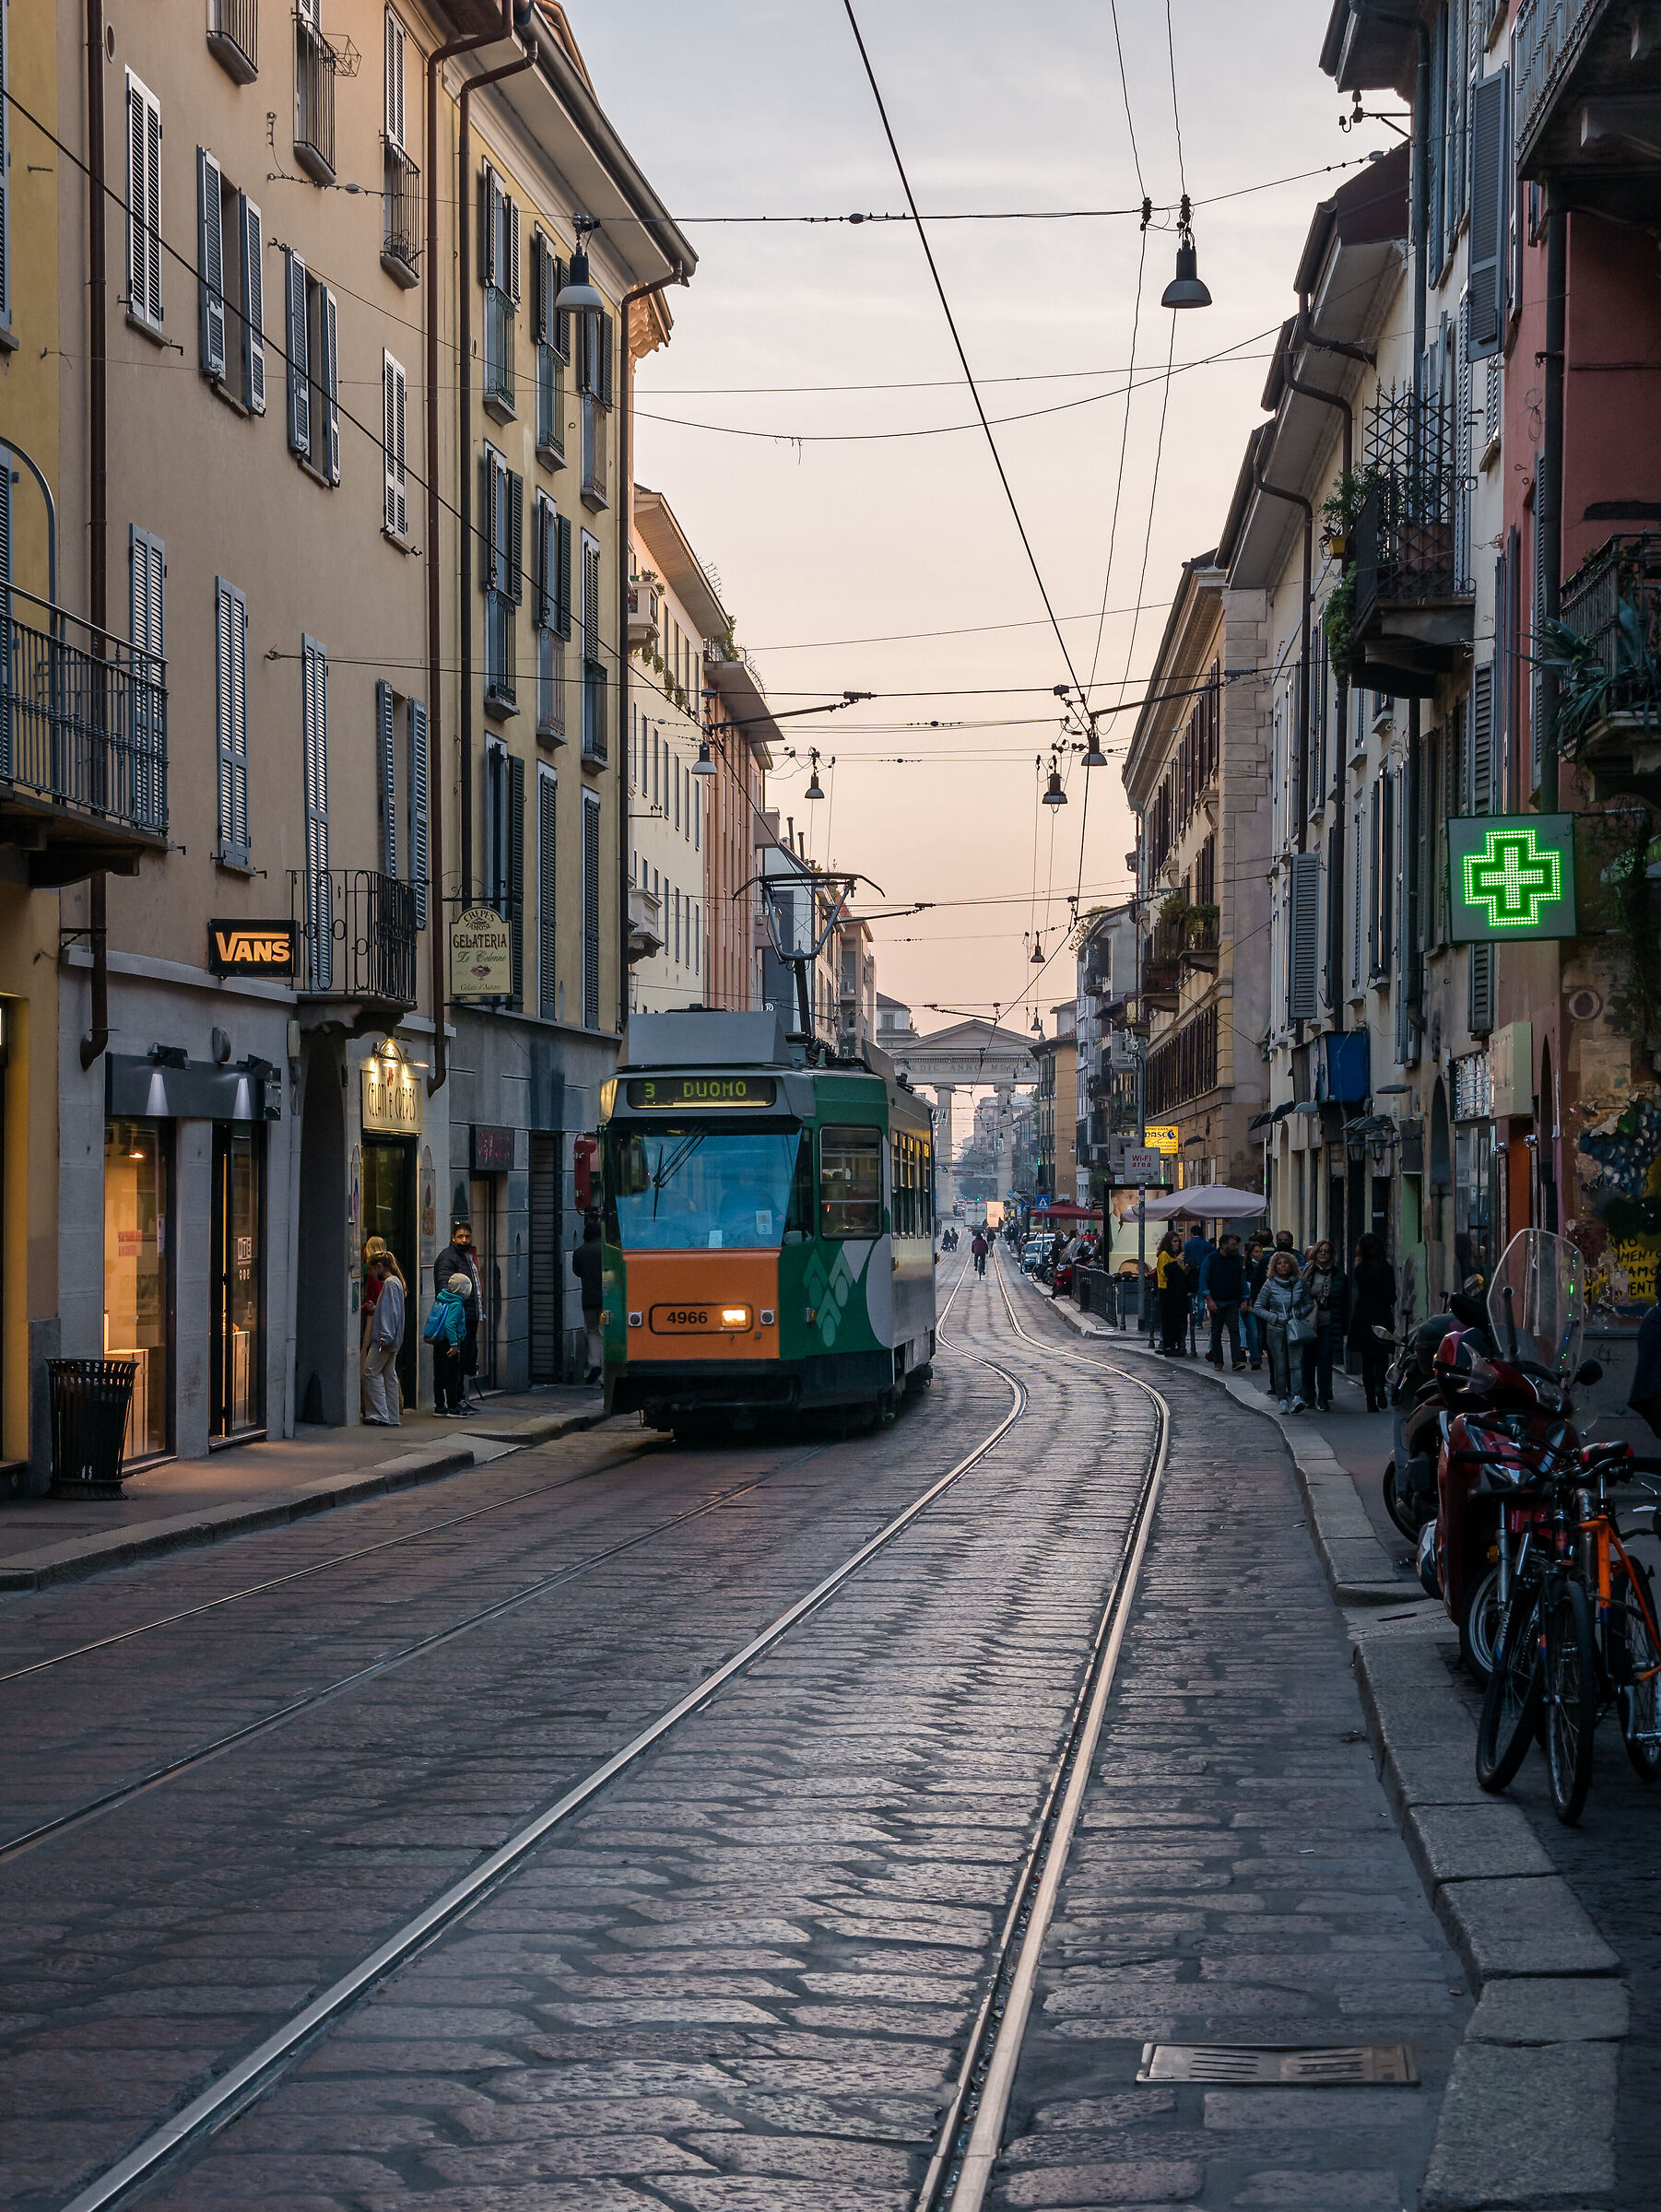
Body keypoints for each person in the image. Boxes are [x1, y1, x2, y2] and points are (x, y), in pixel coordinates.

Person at [1253, 1249, 1312, 1414]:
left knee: (1296, 1364)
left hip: (1294, 1327)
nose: (1283, 1266)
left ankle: (1297, 1397)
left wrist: (1298, 1314)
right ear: (1274, 1266)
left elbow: (1309, 1303)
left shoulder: (1299, 1283)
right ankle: (1282, 1398)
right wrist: (1274, 1317)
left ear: (1292, 1265)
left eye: (1286, 1263)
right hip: (1276, 1329)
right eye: (1279, 1263)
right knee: (1280, 1365)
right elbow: (1258, 1307)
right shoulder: (1269, 1284)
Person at [435, 1220, 483, 1412]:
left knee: (465, 1360)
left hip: (470, 1315)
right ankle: (451, 1402)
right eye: (460, 1236)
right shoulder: (449, 1257)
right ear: (453, 1238)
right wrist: (457, 1309)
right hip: (457, 1316)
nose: (464, 1240)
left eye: (467, 1236)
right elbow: (445, 1287)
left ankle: (459, 1398)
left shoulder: (467, 1256)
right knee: (452, 1362)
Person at [1298, 1239, 1350, 1413]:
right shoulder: (1306, 1273)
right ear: (1315, 1253)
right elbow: (1298, 1296)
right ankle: (1309, 1394)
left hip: (1328, 1322)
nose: (1323, 1253)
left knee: (1324, 1360)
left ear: (1331, 1254)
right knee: (1307, 1360)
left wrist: (1344, 1325)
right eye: (1320, 1250)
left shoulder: (1339, 1275)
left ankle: (1323, 1397)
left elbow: (1344, 1302)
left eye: (1327, 1251)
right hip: (1307, 1323)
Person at [1349, 1233, 1398, 1411]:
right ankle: (1380, 1386)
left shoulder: (1360, 1269)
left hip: (1363, 1315)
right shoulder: (1386, 1269)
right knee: (1382, 1356)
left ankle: (1370, 1401)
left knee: (1367, 1360)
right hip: (1382, 1315)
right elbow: (1392, 1297)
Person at [361, 1253, 406, 1426]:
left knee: (370, 1372)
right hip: (392, 1339)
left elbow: (390, 1312)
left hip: (384, 1339)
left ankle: (379, 1414)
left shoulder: (389, 1284)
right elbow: (391, 1310)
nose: (371, 1273)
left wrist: (385, 1335)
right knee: (389, 1376)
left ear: (379, 1266)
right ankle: (392, 1416)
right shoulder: (396, 1283)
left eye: (372, 1269)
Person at [1200, 1232, 1247, 1371]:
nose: (1236, 1247)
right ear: (1223, 1245)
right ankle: (1218, 1361)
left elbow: (1242, 1279)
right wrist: (1209, 1299)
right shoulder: (1211, 1259)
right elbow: (1203, 1280)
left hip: (1233, 1300)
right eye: (1233, 1244)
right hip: (1216, 1301)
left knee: (1234, 1331)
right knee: (1216, 1332)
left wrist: (1245, 1299)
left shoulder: (1237, 1260)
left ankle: (1236, 1360)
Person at [426, 1274, 471, 1414]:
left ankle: (439, 1406)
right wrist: (454, 1345)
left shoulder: (442, 1298)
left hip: (439, 1340)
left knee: (439, 1375)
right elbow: (450, 1325)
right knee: (452, 1375)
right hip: (450, 1343)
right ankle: (452, 1406)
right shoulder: (456, 1304)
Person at [572, 1214, 605, 1383]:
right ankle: (605, 1375)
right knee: (605, 1332)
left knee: (592, 1330)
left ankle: (594, 1363)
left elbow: (577, 1272)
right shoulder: (606, 1250)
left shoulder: (579, 1252)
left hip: (589, 1299)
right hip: (608, 1298)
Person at [1155, 1230, 1190, 1355]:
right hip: (1167, 1291)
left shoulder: (1178, 1256)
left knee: (1179, 1320)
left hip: (1179, 1292)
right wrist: (1177, 1264)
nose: (1177, 1244)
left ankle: (1178, 1344)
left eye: (1178, 1242)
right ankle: (1169, 1346)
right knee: (1169, 1320)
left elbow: (1183, 1273)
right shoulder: (1164, 1255)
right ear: (1169, 1242)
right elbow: (1164, 1274)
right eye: (1174, 1241)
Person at [1242, 1235, 1269, 1371]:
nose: (1259, 1254)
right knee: (1253, 1331)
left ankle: (1257, 1353)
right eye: (1256, 1252)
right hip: (1250, 1303)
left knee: (1261, 1331)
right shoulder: (1246, 1269)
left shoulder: (1266, 1268)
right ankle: (1255, 1358)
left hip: (1263, 1303)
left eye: (1260, 1252)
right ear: (1250, 1254)